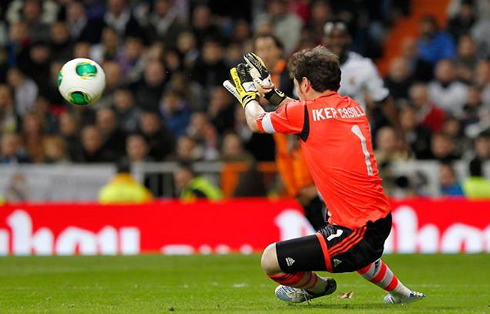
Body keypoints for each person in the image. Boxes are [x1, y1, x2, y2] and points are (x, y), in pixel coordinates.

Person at [223, 47, 424, 304]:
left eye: (297, 84)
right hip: (378, 217)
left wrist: (247, 97)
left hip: (354, 230)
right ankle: (402, 294)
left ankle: (318, 288)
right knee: (362, 256)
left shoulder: (305, 114)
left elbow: (256, 121)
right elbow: (307, 110)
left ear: (305, 83)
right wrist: (272, 94)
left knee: (270, 260)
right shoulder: (353, 107)